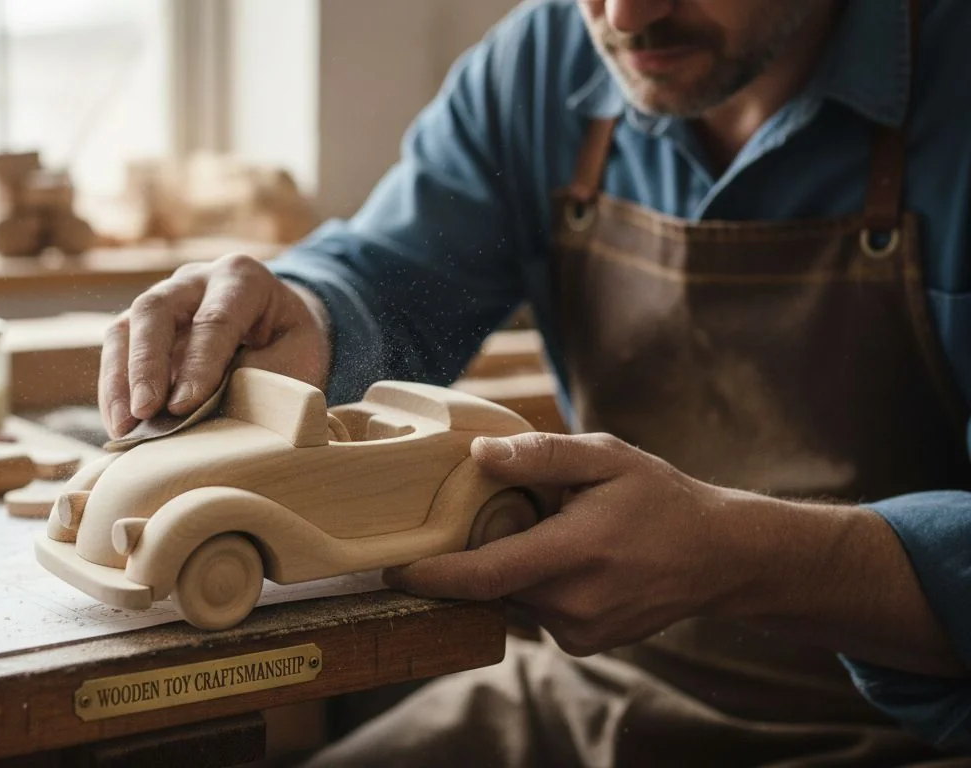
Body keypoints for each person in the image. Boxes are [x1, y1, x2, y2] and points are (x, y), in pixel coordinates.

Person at [99, 0, 971, 763]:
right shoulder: (548, 59)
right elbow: (392, 277)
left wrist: (741, 559)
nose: (625, 17)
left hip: (914, 733)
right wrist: (306, 314)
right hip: (601, 694)